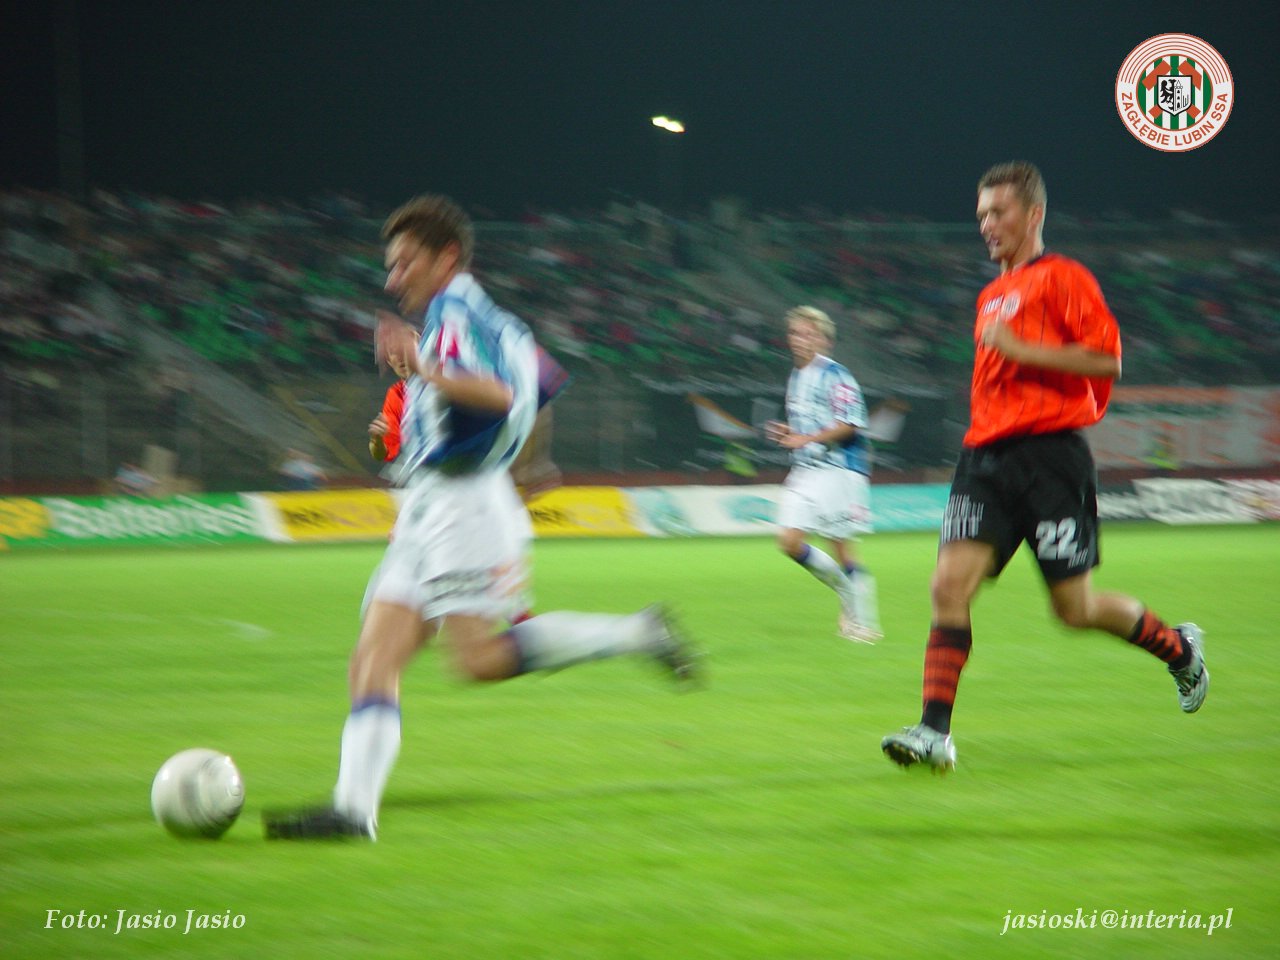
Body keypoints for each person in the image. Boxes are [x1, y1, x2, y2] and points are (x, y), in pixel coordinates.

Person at [265, 194, 699, 840]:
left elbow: (497, 394)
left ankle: (636, 633)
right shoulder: (489, 319)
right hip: (434, 501)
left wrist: (423, 365)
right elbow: (538, 389)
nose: (393, 279)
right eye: (390, 266)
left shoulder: (457, 312)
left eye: (405, 262)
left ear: (447, 257)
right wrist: (527, 460)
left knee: (477, 660)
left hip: (461, 504)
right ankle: (352, 811)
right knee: (371, 658)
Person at [880, 161, 1207, 773]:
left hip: (1051, 459)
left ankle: (1180, 650)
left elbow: (1107, 361)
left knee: (1074, 610)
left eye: (997, 212)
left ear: (1033, 215)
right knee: (947, 586)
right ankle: (933, 733)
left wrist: (1021, 348)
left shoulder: (1064, 278)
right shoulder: (989, 297)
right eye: (981, 214)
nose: (986, 224)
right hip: (985, 458)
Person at [766, 305, 880, 643]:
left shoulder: (835, 375)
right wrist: (790, 432)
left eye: (809, 334)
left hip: (839, 469)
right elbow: (811, 426)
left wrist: (805, 439)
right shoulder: (797, 376)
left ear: (824, 341)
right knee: (789, 542)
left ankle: (864, 624)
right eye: (795, 333)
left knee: (842, 549)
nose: (800, 339)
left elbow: (850, 424)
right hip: (806, 470)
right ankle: (847, 595)